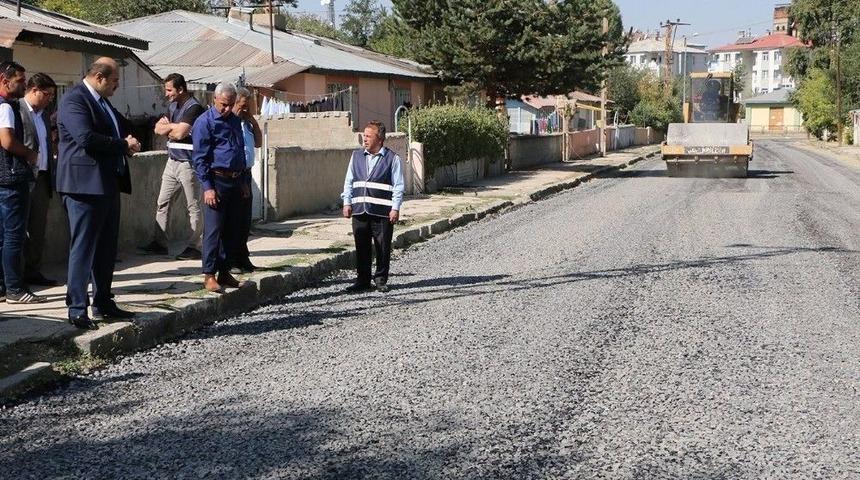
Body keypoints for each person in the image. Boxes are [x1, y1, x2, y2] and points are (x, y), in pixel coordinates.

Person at [56, 57, 141, 329]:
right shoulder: (75, 100)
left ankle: (103, 301)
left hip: (106, 183)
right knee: (83, 247)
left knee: (106, 248)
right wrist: (122, 145)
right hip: (83, 186)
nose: (117, 86)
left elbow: (124, 126)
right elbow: (86, 138)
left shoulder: (103, 103)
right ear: (100, 77)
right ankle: (77, 307)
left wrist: (135, 137)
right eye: (115, 81)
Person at [139, 73, 205, 260]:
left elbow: (181, 133)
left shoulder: (194, 108)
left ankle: (195, 246)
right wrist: (171, 128)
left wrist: (171, 128)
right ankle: (159, 242)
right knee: (163, 202)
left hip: (188, 163)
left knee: (193, 206)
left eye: (169, 90)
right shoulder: (173, 106)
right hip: (172, 161)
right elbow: (158, 129)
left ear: (181, 89)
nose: (167, 94)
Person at [191, 82, 246, 293]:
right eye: (223, 104)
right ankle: (209, 274)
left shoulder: (234, 120)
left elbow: (238, 150)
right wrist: (208, 187)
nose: (226, 108)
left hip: (235, 179)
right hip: (216, 180)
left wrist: (242, 182)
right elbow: (200, 158)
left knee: (231, 229)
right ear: (214, 99)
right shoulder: (204, 122)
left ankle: (225, 271)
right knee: (213, 230)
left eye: (230, 105)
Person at [341, 121, 404, 294]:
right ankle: (362, 280)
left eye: (369, 136)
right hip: (360, 210)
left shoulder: (393, 159)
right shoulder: (356, 156)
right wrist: (347, 202)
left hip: (382, 212)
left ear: (380, 139)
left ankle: (381, 279)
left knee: (382, 246)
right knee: (361, 246)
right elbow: (349, 181)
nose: (365, 139)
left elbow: (398, 186)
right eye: (364, 135)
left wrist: (395, 208)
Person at [0, 61, 43, 304]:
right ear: (6, 81)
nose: (23, 85)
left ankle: (3, 287)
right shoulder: (5, 107)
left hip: (2, 178)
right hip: (12, 178)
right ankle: (15, 289)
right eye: (20, 81)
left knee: (2, 236)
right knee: (14, 236)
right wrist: (29, 154)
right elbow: (7, 141)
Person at [20, 73, 58, 288]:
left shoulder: (44, 114)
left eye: (52, 95)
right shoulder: (15, 109)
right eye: (47, 94)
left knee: (37, 229)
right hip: (23, 178)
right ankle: (12, 277)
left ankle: (32, 271)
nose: (50, 99)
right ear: (34, 90)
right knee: (17, 230)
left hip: (43, 177)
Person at [229, 87, 262, 275]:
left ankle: (243, 258)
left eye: (247, 107)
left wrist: (252, 120)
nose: (245, 110)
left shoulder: (247, 124)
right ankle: (232, 259)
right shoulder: (230, 124)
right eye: (242, 107)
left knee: (245, 220)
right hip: (235, 174)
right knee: (234, 219)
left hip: (246, 174)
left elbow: (258, 143)